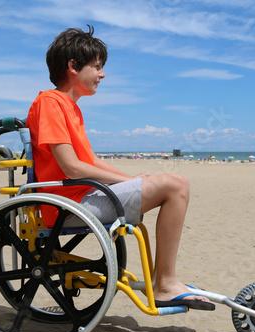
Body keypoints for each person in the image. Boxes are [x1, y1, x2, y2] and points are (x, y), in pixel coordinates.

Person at [26, 26, 214, 311]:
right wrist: (126, 181)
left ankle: (164, 280)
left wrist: (131, 179)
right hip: (69, 205)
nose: (102, 75)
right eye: (97, 67)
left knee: (169, 183)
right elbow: (73, 167)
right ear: (73, 66)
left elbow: (90, 162)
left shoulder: (70, 107)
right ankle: (165, 284)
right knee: (177, 185)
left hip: (82, 198)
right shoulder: (50, 103)